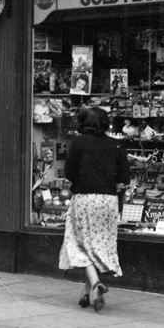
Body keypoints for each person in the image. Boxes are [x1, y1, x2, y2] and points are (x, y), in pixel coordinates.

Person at [58, 107, 127, 311]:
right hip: (108, 201)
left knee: (77, 242)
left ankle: (95, 283)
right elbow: (124, 177)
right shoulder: (116, 144)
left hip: (85, 198)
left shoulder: (79, 142)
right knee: (97, 243)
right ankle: (86, 293)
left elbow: (69, 172)